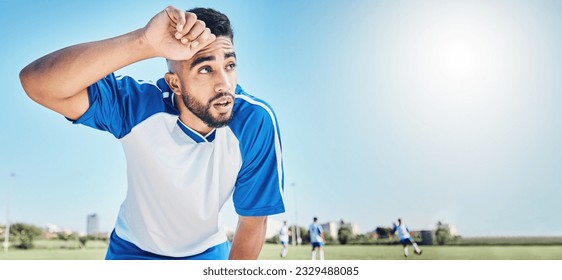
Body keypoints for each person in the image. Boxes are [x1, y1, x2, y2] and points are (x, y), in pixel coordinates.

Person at [19, 6, 285, 260]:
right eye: (205, 69)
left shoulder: (254, 121)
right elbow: (37, 83)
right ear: (175, 83)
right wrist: (144, 42)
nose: (224, 84)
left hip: (206, 252)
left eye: (229, 65)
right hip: (132, 250)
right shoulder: (136, 105)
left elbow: (253, 220)